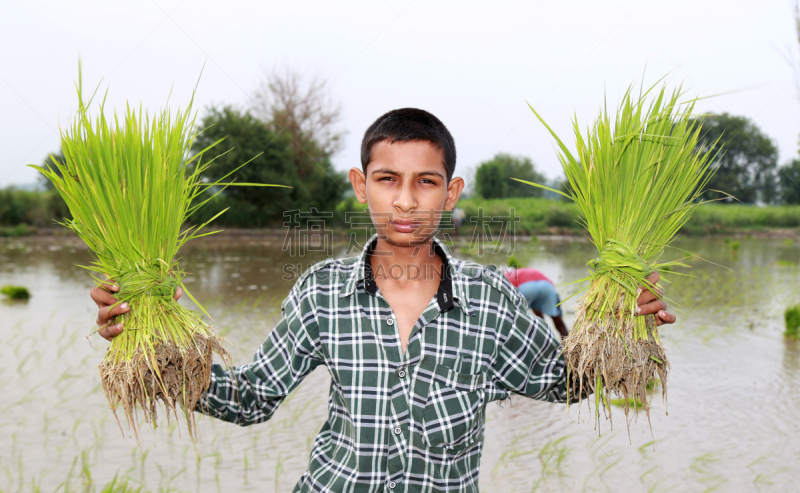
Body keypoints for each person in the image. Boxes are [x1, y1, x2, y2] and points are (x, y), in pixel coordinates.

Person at [91, 108, 674, 493]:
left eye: (425, 181)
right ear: (359, 184)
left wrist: (625, 327)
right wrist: (155, 351)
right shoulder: (322, 292)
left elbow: (559, 384)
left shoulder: (492, 297)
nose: (405, 201)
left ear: (451, 193)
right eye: (387, 179)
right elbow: (251, 398)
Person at [504, 267, 569, 338]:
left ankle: (543, 342)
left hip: (526, 288)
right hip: (547, 286)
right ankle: (569, 345)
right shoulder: (525, 270)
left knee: (521, 322)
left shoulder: (505, 276)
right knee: (558, 322)